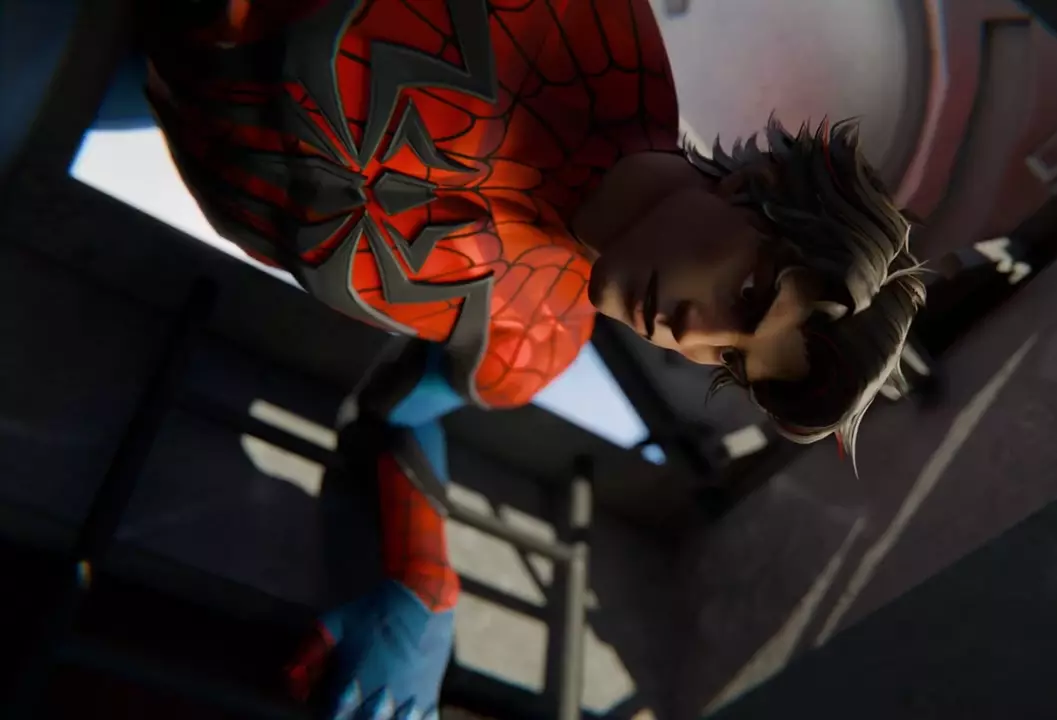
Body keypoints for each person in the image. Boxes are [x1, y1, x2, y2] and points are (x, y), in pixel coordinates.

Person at [135, 0, 926, 715]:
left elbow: (397, 413)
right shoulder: (578, 27)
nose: (691, 333)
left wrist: (421, 580)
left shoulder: (530, 339)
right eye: (749, 297)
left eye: (729, 356)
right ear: (755, 184)